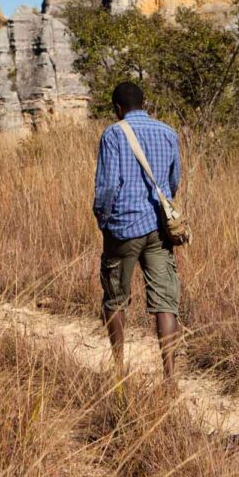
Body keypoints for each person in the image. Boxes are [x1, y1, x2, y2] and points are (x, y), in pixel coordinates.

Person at [94, 81, 183, 382]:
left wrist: (103, 219)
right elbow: (173, 182)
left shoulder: (113, 133)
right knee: (165, 303)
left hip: (123, 227)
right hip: (159, 228)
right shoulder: (168, 133)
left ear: (117, 108)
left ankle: (119, 370)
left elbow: (108, 185)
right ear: (144, 104)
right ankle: (169, 378)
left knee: (115, 298)